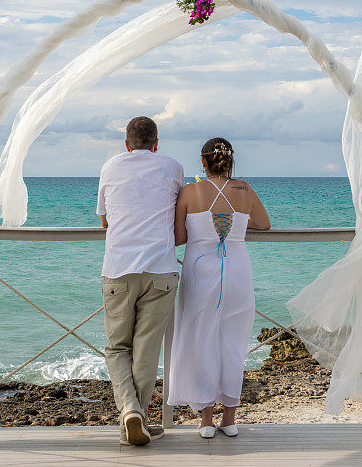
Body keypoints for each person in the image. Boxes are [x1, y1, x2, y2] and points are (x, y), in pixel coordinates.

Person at [168, 137, 271, 438]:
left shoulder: (190, 191)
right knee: (233, 342)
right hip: (238, 272)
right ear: (230, 160)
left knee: (202, 339)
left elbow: (178, 237)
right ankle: (230, 419)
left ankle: (205, 420)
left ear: (203, 161)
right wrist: (238, 224)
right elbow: (264, 223)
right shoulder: (245, 190)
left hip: (201, 273)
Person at [96, 116, 184, 446]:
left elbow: (104, 219)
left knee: (118, 347)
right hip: (160, 268)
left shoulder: (110, 167)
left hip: (119, 267)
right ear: (156, 143)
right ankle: (138, 418)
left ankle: (131, 413)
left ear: (126, 143)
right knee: (146, 351)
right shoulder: (173, 167)